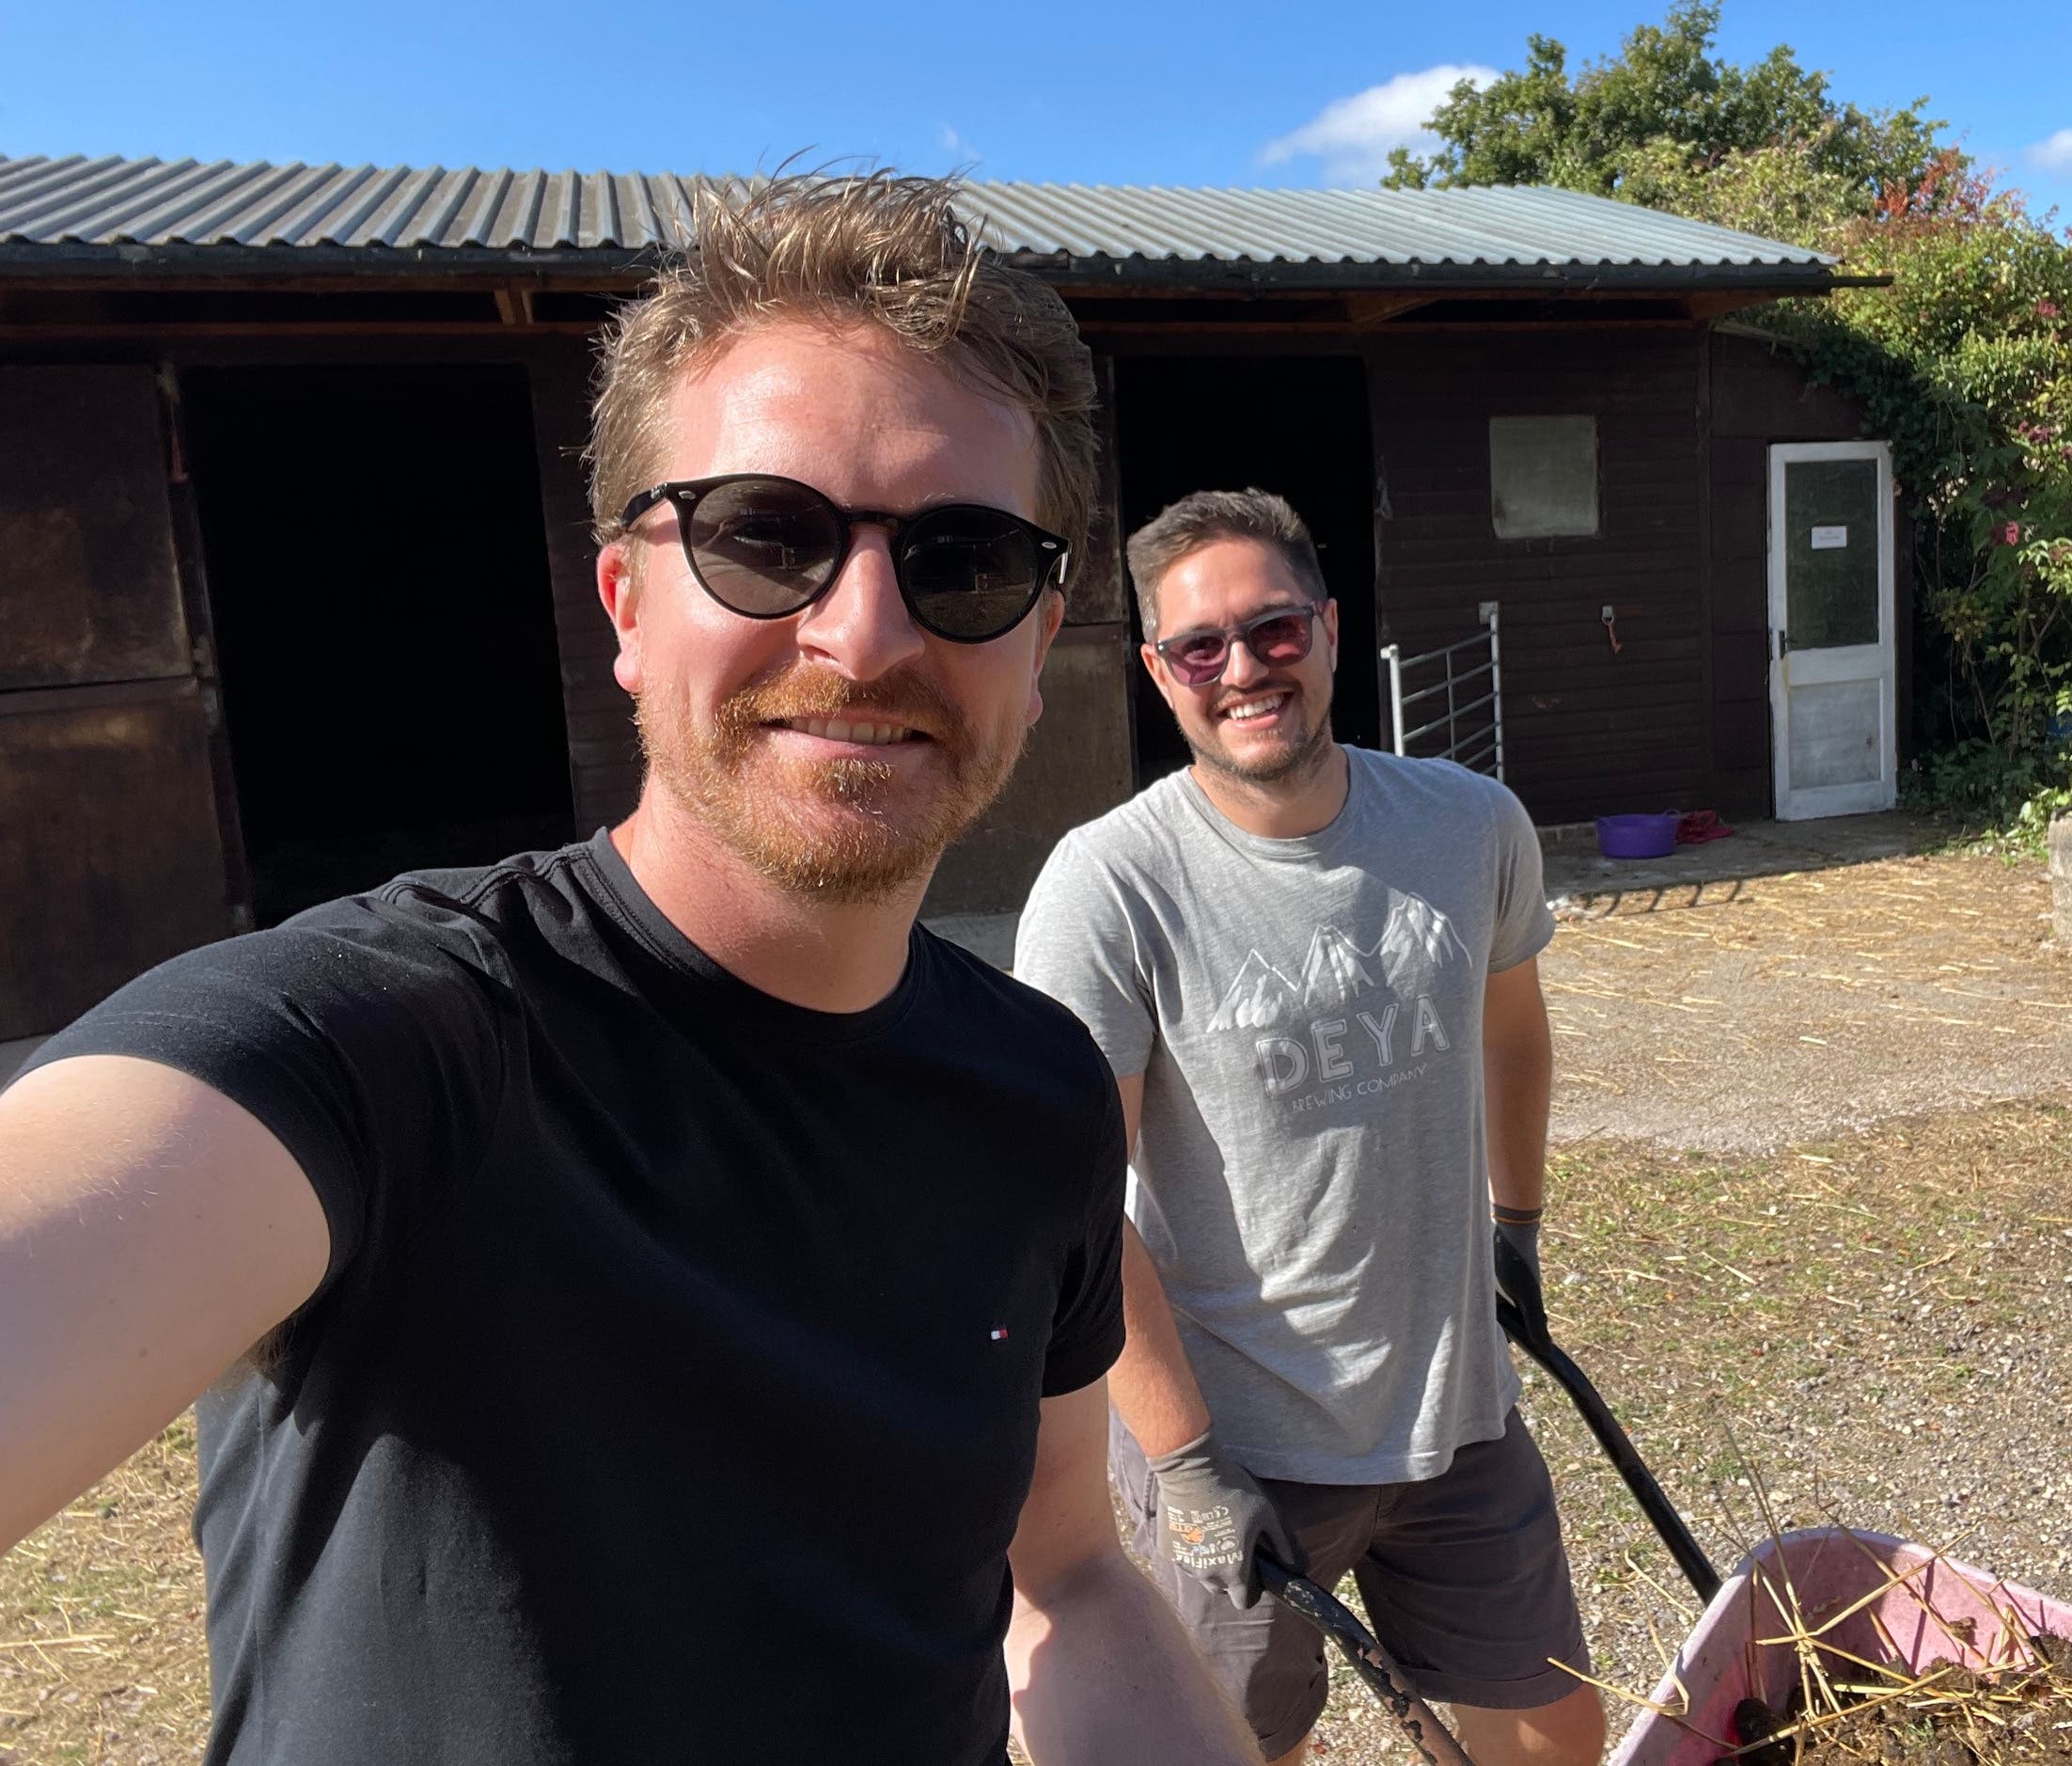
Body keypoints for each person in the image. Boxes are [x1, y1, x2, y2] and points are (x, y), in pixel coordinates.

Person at [0, 173, 1255, 1766]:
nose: (864, 634)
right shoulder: (384, 1042)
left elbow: (1067, 1569)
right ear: (626, 603)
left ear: (1039, 633)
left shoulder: (1037, 1091)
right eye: (763, 536)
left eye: (962, 558)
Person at [1013, 489, 1608, 1765]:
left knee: (1555, 1726)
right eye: (1200, 648)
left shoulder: (1465, 825)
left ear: (1330, 631)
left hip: (1456, 1412)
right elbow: (1071, 1197)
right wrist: (1183, 1463)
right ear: (1158, 674)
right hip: (1245, 1438)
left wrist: (1515, 1225)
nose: (1242, 670)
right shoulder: (1111, 887)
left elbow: (1512, 1028)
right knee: (1237, 1746)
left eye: (1272, 630)